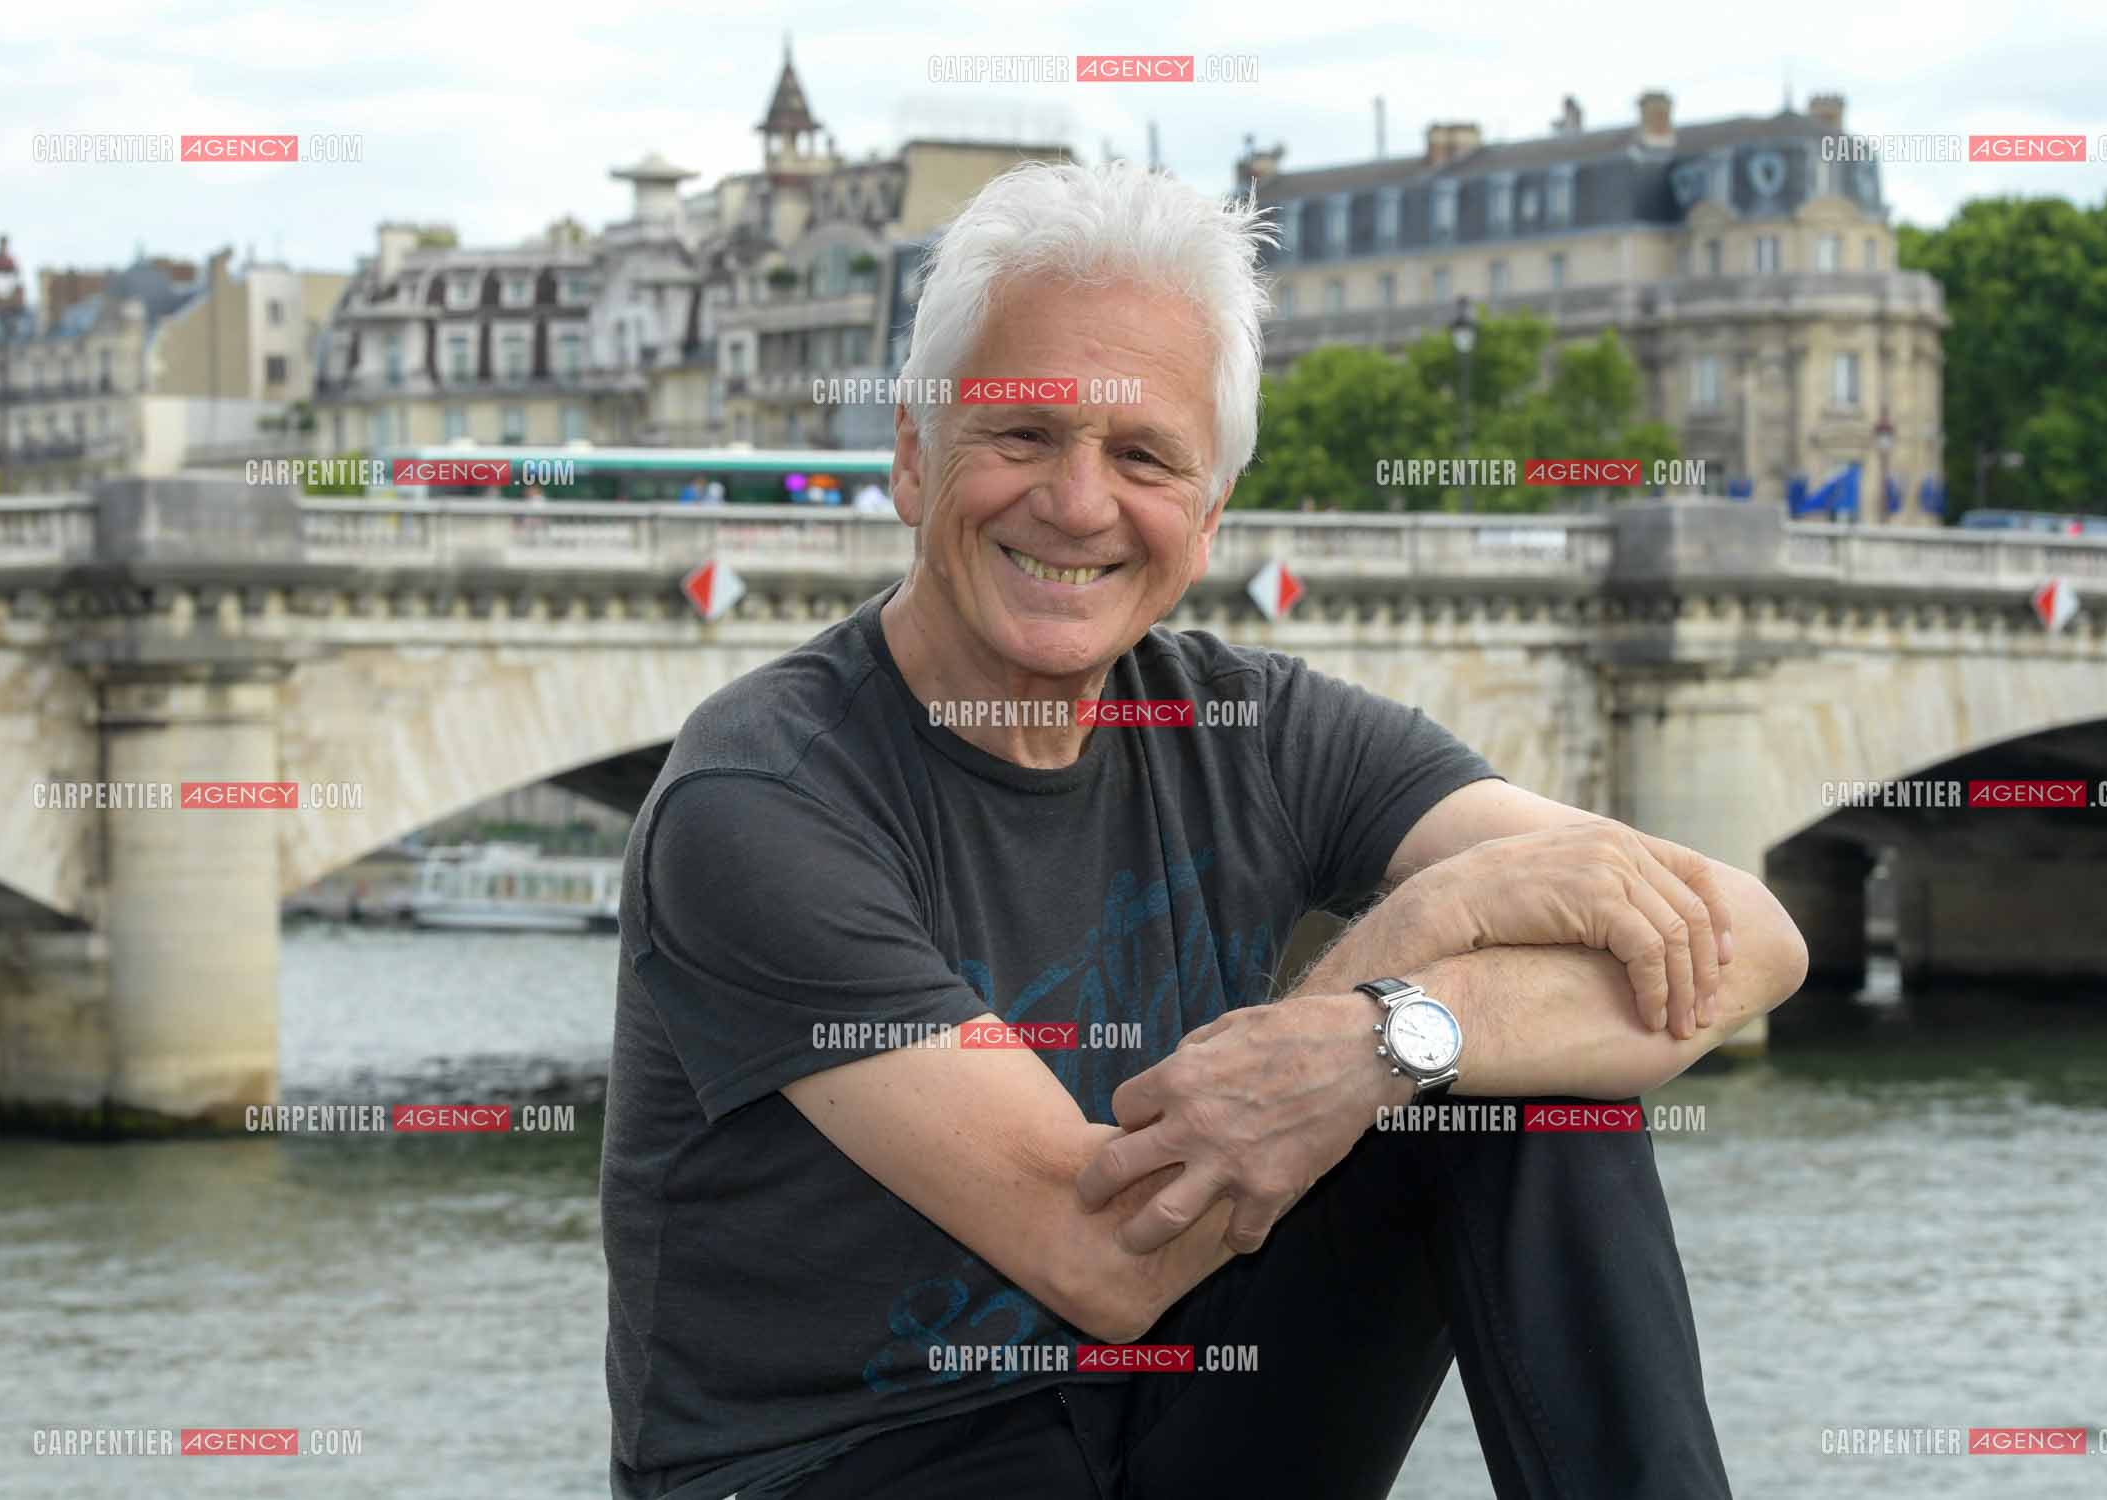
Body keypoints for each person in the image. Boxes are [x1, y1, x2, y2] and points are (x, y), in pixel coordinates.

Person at [602, 161, 1809, 1500]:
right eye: (1020, 434)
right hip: (854, 1469)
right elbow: (1099, 1256)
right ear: (908, 455)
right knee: (1458, 1024)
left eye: (1140, 455)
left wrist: (1396, 1032)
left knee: (1524, 1090)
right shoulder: (760, 799)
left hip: (1183, 1417)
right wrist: (1413, 936)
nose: (1075, 503)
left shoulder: (1253, 725)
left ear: (1208, 515)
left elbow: (1750, 936)